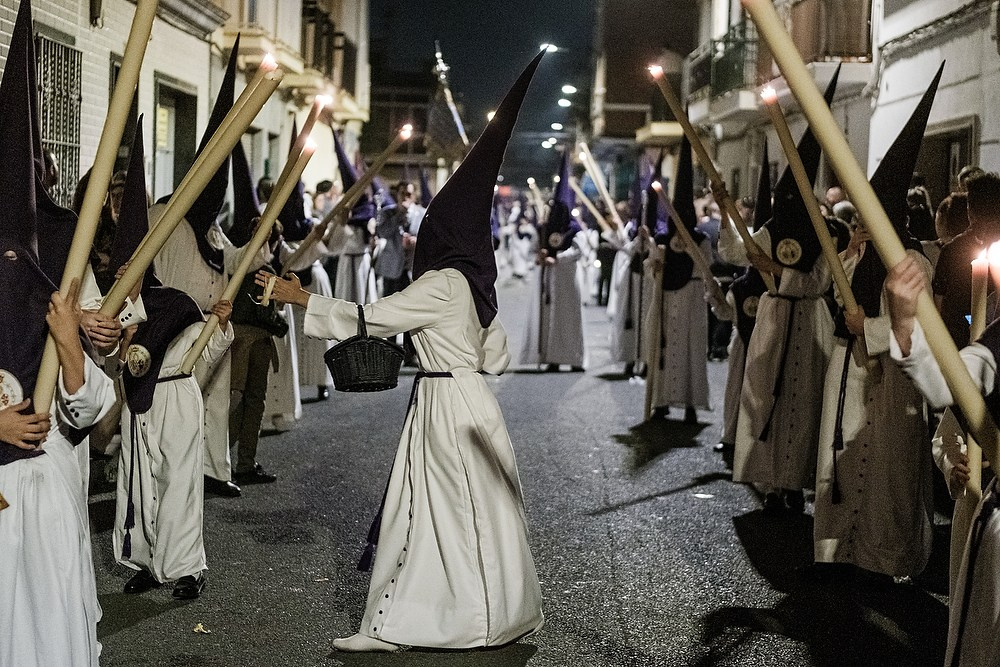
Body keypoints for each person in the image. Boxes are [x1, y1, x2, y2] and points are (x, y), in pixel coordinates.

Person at [256, 49, 547, 653]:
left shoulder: (442, 284)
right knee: (438, 509)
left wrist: (299, 297)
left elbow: (373, 319)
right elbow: (496, 357)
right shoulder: (473, 286)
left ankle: (466, 620)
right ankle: (411, 619)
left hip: (447, 406)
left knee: (446, 510)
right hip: (465, 400)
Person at [812, 66, 942, 581]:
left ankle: (887, 557)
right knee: (841, 453)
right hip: (851, 366)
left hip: (893, 378)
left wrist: (868, 325)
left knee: (888, 467)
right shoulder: (859, 252)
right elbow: (834, 287)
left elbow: (922, 331)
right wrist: (851, 254)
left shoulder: (915, 261)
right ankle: (839, 550)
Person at [730, 67, 840, 514]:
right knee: (765, 397)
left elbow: (820, 281)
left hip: (810, 321)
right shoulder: (772, 228)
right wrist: (724, 210)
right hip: (774, 320)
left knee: (805, 401)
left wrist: (776, 268)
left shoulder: (825, 231)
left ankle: (797, 483)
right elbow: (736, 254)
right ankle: (773, 481)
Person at [644, 135, 711, 424]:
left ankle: (691, 403)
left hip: (692, 300)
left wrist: (690, 245)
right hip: (667, 296)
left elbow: (706, 267)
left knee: (690, 349)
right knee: (664, 346)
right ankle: (661, 402)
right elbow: (652, 265)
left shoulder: (701, 239)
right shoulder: (662, 238)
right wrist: (655, 264)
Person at [519, 149, 586, 372]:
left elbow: (578, 251)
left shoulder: (574, 230)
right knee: (551, 319)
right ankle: (553, 358)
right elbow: (532, 249)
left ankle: (574, 358)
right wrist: (539, 256)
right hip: (549, 280)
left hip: (567, 279)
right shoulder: (544, 228)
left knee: (569, 318)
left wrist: (556, 259)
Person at [932, 172, 1000, 348]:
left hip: (958, 349)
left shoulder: (950, 251)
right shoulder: (951, 251)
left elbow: (938, 306)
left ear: (970, 211)